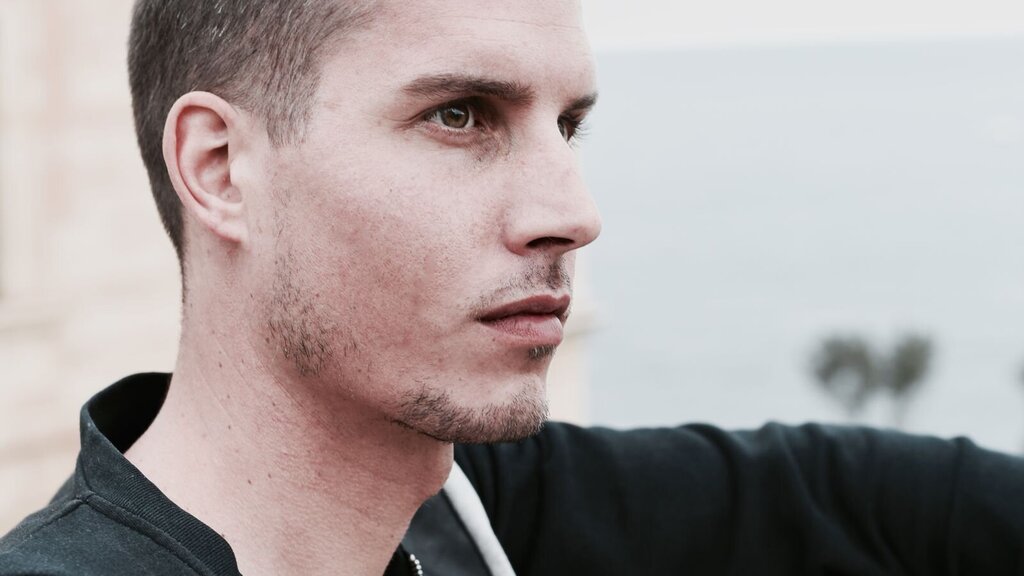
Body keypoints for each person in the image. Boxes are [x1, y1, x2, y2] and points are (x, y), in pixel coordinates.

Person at [2, 0, 1024, 574]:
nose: (573, 212)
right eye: (460, 115)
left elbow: (881, 503)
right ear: (222, 168)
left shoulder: (480, 513)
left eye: (567, 125)